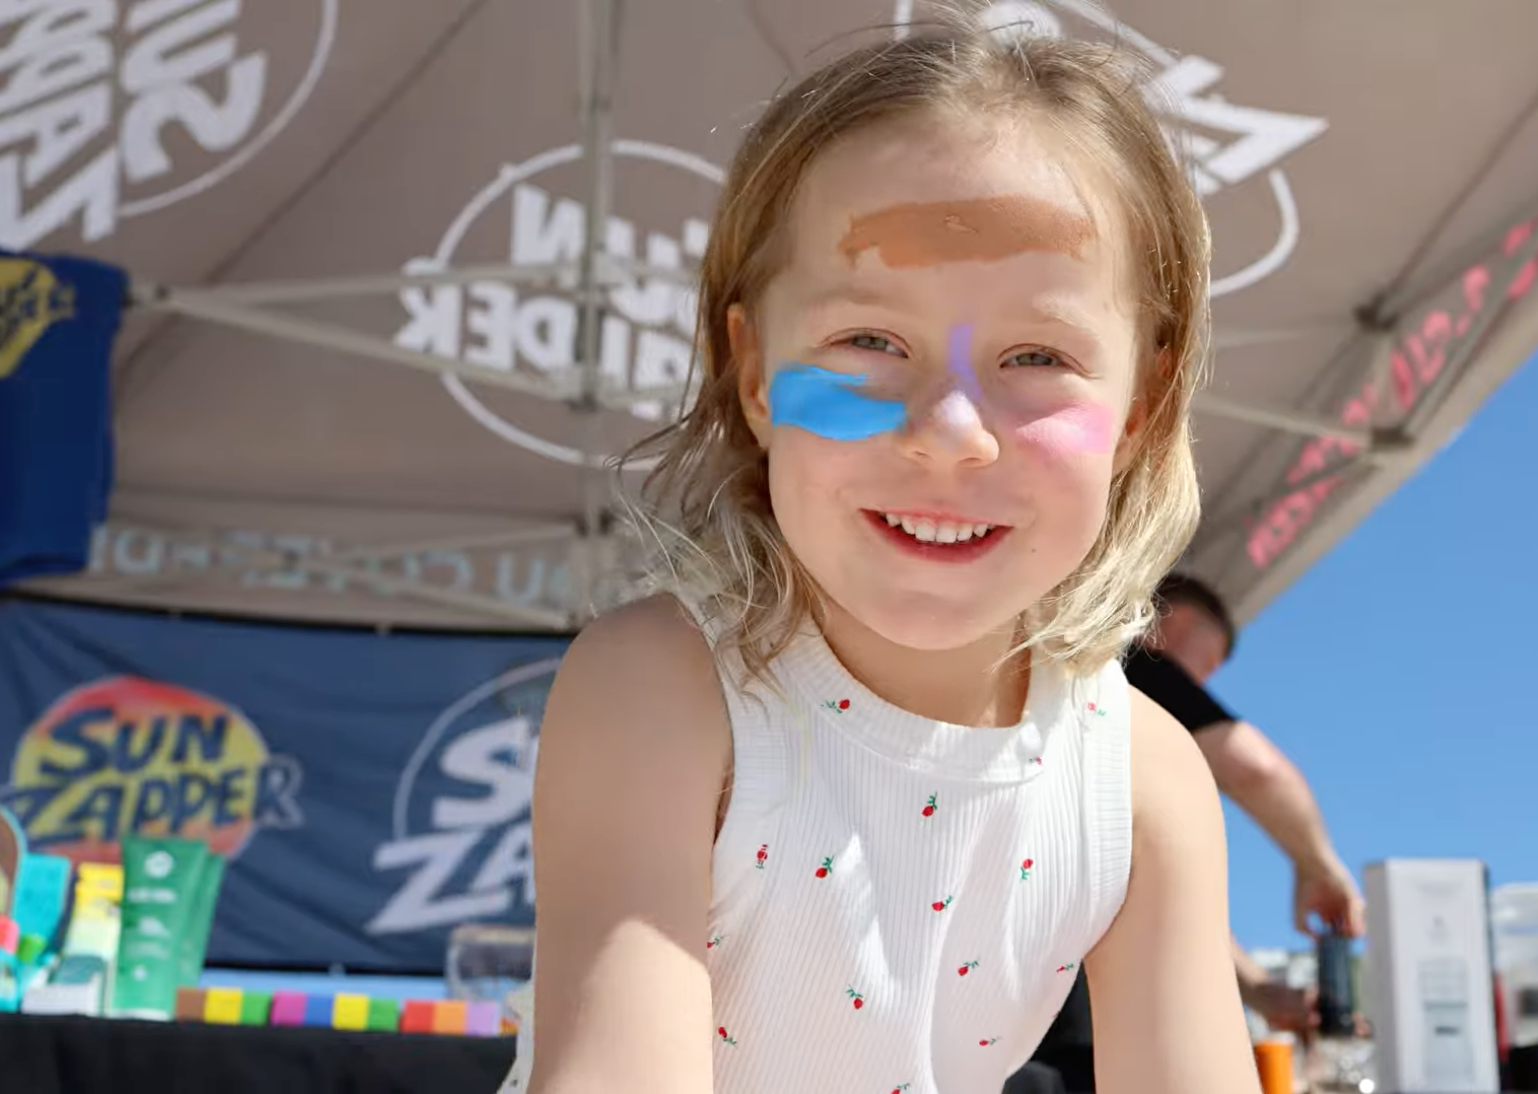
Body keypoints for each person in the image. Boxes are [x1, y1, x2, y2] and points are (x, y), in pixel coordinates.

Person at [510, 23, 1262, 1094]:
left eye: (1035, 356)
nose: (948, 426)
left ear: (1136, 410)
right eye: (868, 341)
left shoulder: (1140, 777)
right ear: (757, 374)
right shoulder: (662, 689)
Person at [1024, 573, 1367, 1092]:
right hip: (1077, 1039)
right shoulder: (1115, 661)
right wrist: (1318, 864)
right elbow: (1256, 769)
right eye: (1203, 667)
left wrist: (1262, 993)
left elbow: (1166, 901)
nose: (1198, 688)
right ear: (1167, 622)